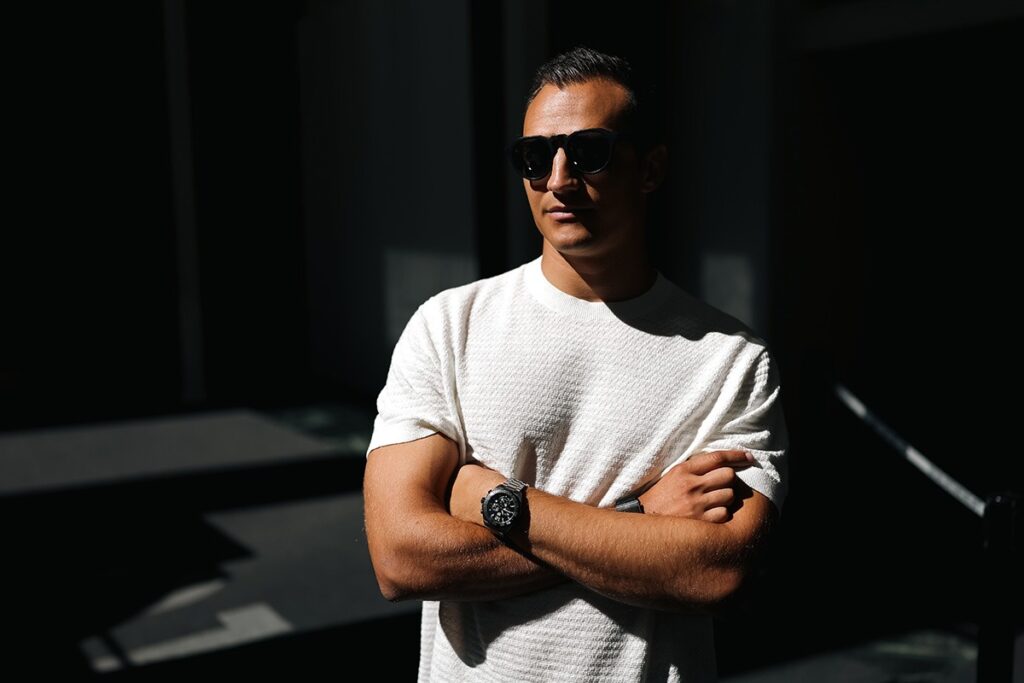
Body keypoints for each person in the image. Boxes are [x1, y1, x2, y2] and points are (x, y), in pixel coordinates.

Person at [363, 46, 788, 682]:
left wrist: (494, 501)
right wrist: (637, 520)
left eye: (589, 152)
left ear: (650, 169)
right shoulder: (448, 325)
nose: (559, 179)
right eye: (536, 157)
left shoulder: (732, 359)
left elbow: (716, 572)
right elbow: (401, 558)